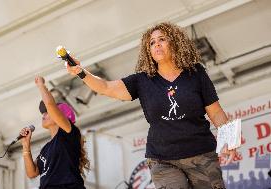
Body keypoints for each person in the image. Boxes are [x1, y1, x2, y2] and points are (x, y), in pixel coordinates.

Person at [66, 22, 236, 189]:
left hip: (201, 154)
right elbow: (105, 88)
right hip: (163, 160)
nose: (157, 44)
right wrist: (81, 71)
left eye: (162, 39)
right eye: (152, 42)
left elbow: (216, 112)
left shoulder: (196, 72)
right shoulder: (142, 80)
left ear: (174, 42)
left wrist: (230, 140)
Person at [20, 76, 90, 189]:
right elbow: (32, 173)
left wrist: (41, 86)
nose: (44, 114)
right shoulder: (46, 148)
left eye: (47, 112)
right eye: (44, 112)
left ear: (61, 117)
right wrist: (25, 146)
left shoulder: (69, 132)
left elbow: (50, 105)